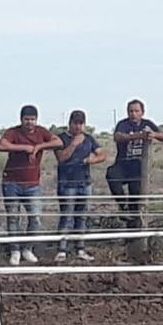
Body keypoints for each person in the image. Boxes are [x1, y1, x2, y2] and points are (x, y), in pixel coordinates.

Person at [0, 105, 62, 266]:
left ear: (36, 119)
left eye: (32, 119)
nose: (29, 122)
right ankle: (15, 251)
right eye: (26, 119)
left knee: (35, 218)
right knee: (13, 218)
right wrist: (24, 148)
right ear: (21, 119)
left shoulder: (41, 132)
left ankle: (28, 248)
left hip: (32, 184)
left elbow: (58, 142)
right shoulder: (13, 132)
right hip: (11, 182)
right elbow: (2, 145)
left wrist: (39, 147)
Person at [54, 110, 106, 262]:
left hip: (85, 182)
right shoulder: (61, 138)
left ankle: (80, 248)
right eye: (75, 123)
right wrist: (74, 144)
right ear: (69, 123)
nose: (78, 126)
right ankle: (62, 249)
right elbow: (61, 157)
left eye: (80, 123)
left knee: (81, 217)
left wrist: (92, 160)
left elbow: (102, 154)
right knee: (67, 216)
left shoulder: (89, 138)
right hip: (67, 183)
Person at [107, 99, 163, 230]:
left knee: (136, 200)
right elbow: (117, 136)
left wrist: (153, 134)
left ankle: (134, 234)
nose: (133, 114)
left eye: (136, 111)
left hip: (139, 167)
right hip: (123, 164)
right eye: (131, 111)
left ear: (142, 112)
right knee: (112, 175)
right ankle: (123, 207)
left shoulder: (147, 123)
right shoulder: (123, 124)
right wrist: (137, 136)